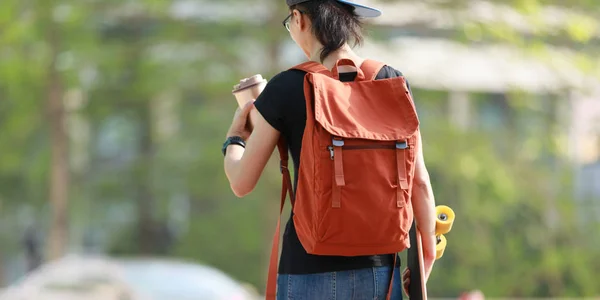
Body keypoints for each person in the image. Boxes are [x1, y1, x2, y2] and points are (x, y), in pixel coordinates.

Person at [222, 0, 437, 298]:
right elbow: (420, 182)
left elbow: (241, 182)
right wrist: (425, 255)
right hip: (380, 271)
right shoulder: (392, 80)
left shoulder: (287, 86)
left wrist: (234, 139)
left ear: (299, 18)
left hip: (307, 269)